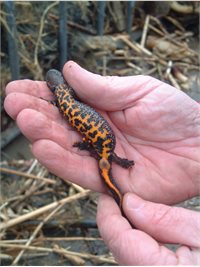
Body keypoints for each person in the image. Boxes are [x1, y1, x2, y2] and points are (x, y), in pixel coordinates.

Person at [4, 61, 200, 265]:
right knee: (105, 157)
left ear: (52, 88)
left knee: (104, 157)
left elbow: (65, 110)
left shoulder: (62, 99)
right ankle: (118, 168)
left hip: (102, 139)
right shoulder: (67, 95)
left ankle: (117, 169)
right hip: (103, 140)